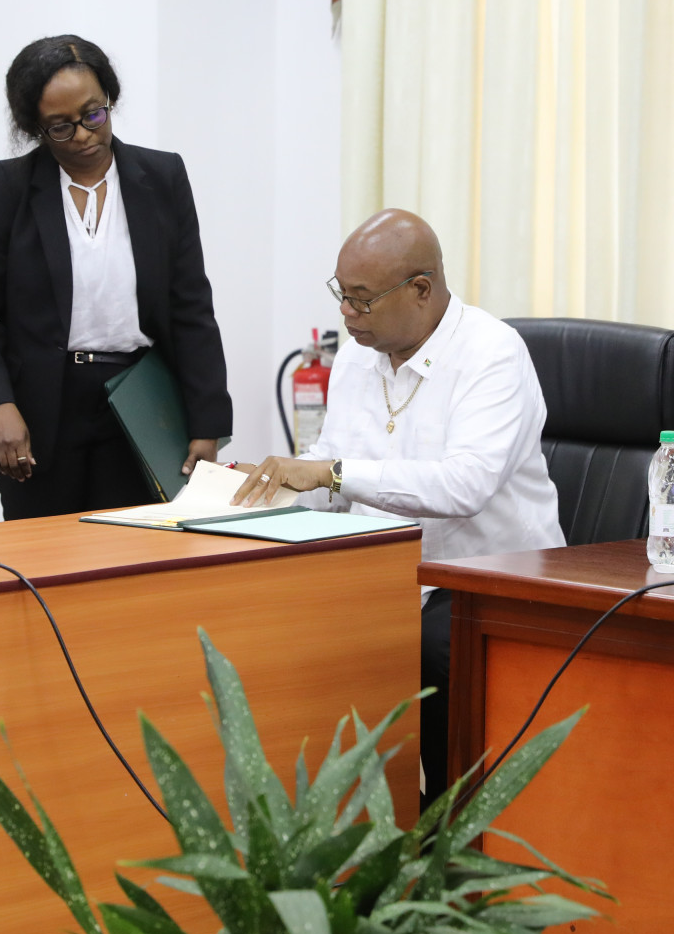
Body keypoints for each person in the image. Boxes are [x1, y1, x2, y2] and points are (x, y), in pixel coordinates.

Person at [232, 209, 563, 794]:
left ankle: (448, 826)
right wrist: (271, 490)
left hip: (487, 582)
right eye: (341, 293)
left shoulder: (491, 353)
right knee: (278, 619)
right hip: (389, 573)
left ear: (421, 290)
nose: (346, 313)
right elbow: (334, 471)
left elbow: (464, 486)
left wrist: (330, 473)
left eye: (361, 299)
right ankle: (346, 821)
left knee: (434, 650)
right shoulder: (358, 356)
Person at [0, 36, 231, 519]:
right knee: (42, 552)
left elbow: (191, 308)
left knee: (133, 550)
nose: (82, 135)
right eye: (61, 126)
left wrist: (208, 423)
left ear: (109, 100)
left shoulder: (162, 177)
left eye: (93, 115)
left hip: (139, 401)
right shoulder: (8, 187)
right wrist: (0, 405)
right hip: (39, 412)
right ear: (35, 127)